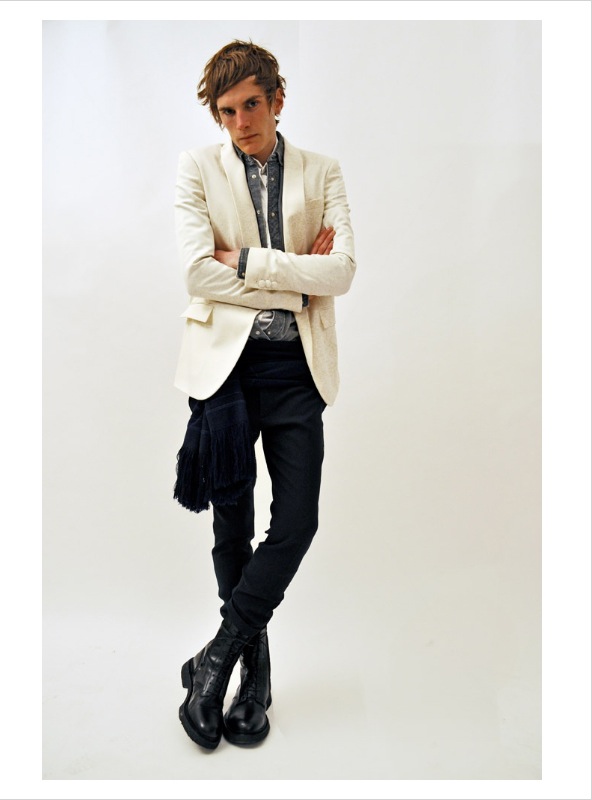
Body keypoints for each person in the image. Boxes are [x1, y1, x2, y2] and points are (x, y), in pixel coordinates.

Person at [173, 39, 356, 750]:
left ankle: (216, 657)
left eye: (251, 105)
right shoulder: (198, 168)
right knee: (232, 525)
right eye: (227, 111)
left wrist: (246, 261)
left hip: (295, 369)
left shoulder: (322, 170)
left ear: (277, 100)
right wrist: (294, 277)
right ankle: (255, 676)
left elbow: (341, 273)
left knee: (298, 521)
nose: (241, 122)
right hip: (225, 372)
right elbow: (197, 273)